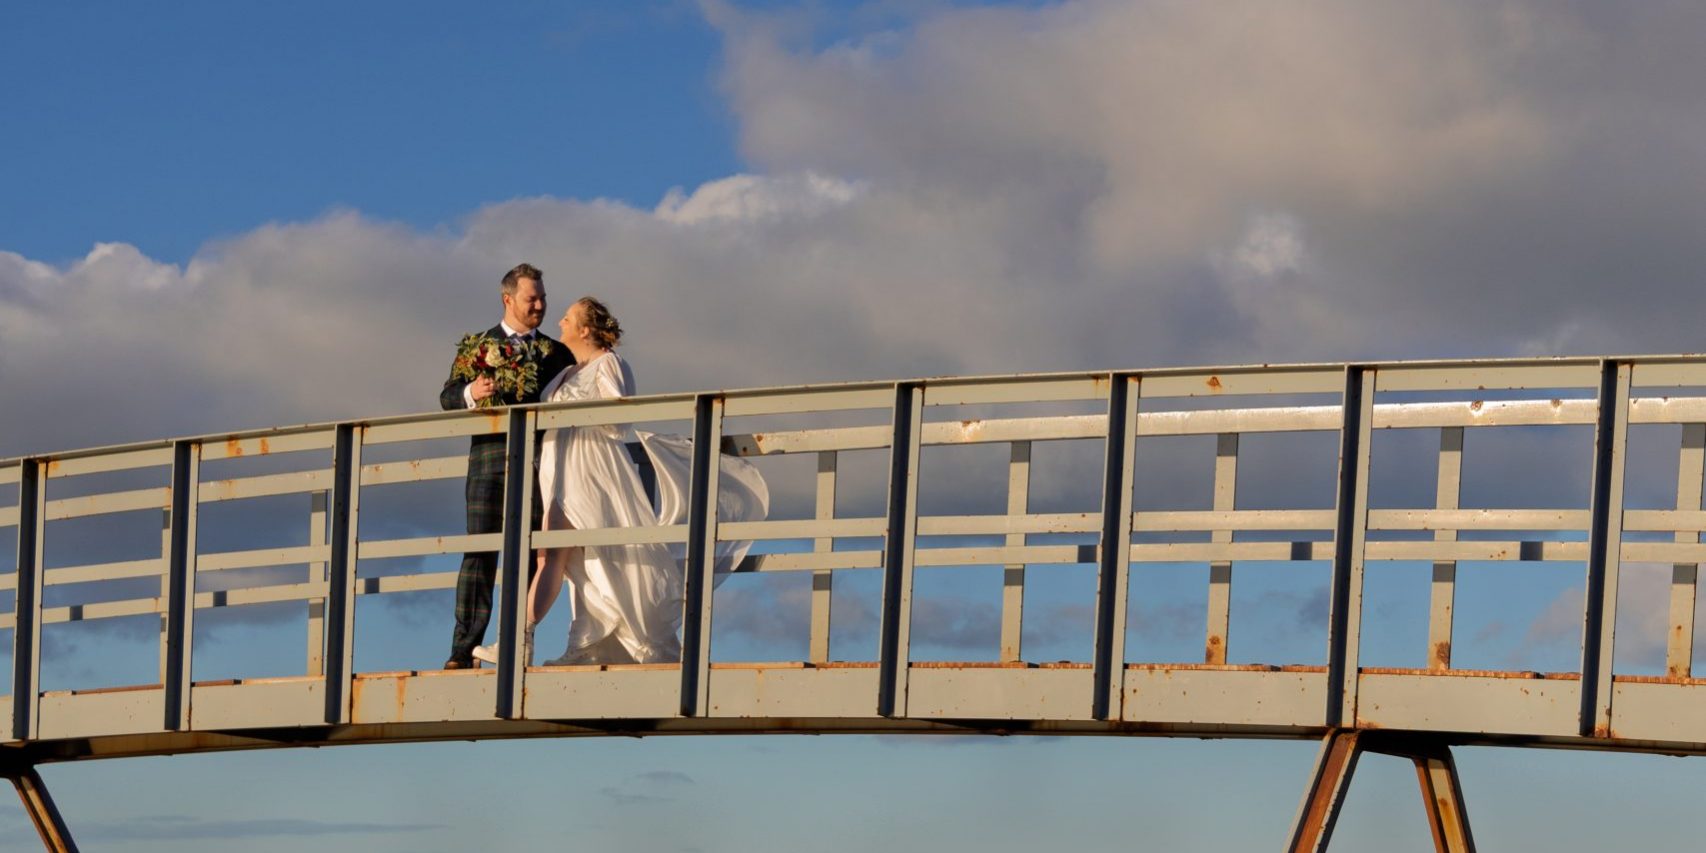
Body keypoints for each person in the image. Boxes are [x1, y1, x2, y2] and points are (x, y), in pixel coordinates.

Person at [516, 297, 768, 666]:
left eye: (567, 318)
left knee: (574, 556)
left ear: (585, 328)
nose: (560, 324)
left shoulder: (610, 363)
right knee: (564, 559)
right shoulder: (565, 372)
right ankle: (559, 642)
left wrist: (575, 412)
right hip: (558, 470)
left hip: (590, 471)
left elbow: (619, 419)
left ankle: (522, 638)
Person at [438, 263, 574, 670]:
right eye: (532, 298)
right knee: (479, 554)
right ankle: (463, 651)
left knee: (533, 556)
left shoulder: (557, 353)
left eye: (543, 298)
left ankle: (515, 645)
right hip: (489, 463)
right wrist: (471, 391)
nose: (540, 305)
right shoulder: (477, 347)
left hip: (538, 465)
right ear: (508, 299)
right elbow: (446, 397)